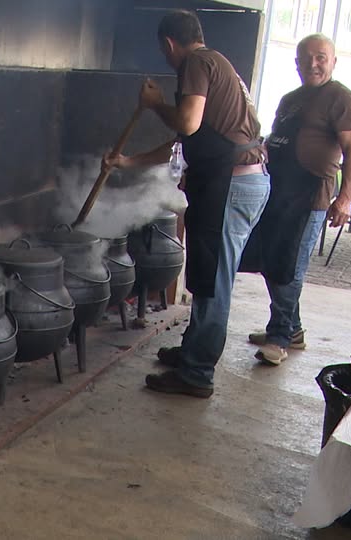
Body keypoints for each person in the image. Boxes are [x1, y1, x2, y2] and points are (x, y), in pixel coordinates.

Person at [106, 10, 269, 398]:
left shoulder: (196, 62)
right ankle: (193, 353)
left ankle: (197, 375)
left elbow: (188, 123)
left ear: (168, 44)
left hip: (232, 185)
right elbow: (186, 144)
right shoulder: (217, 64)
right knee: (209, 275)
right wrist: (128, 162)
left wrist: (155, 103)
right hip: (236, 182)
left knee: (213, 281)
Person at [240, 34, 351, 365]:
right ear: (296, 64)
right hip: (278, 191)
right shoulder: (291, 98)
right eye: (306, 59)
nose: (313, 64)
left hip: (312, 196)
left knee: (290, 267)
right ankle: (291, 327)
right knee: (271, 261)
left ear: (334, 61)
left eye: (321, 57)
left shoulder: (342, 99)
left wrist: (345, 198)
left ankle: (280, 337)